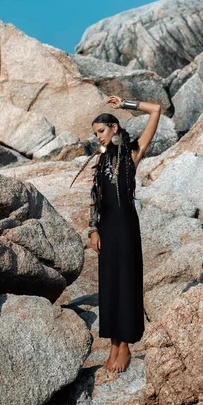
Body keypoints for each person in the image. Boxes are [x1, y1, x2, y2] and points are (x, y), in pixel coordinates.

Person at [70, 95, 161, 372]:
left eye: (102, 131)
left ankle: (126, 347)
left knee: (128, 282)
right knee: (109, 285)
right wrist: (93, 230)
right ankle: (112, 344)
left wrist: (125, 104)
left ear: (115, 129)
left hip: (127, 227)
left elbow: (155, 110)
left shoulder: (133, 154)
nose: (98, 137)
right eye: (95, 132)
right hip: (107, 230)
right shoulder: (99, 163)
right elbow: (95, 199)